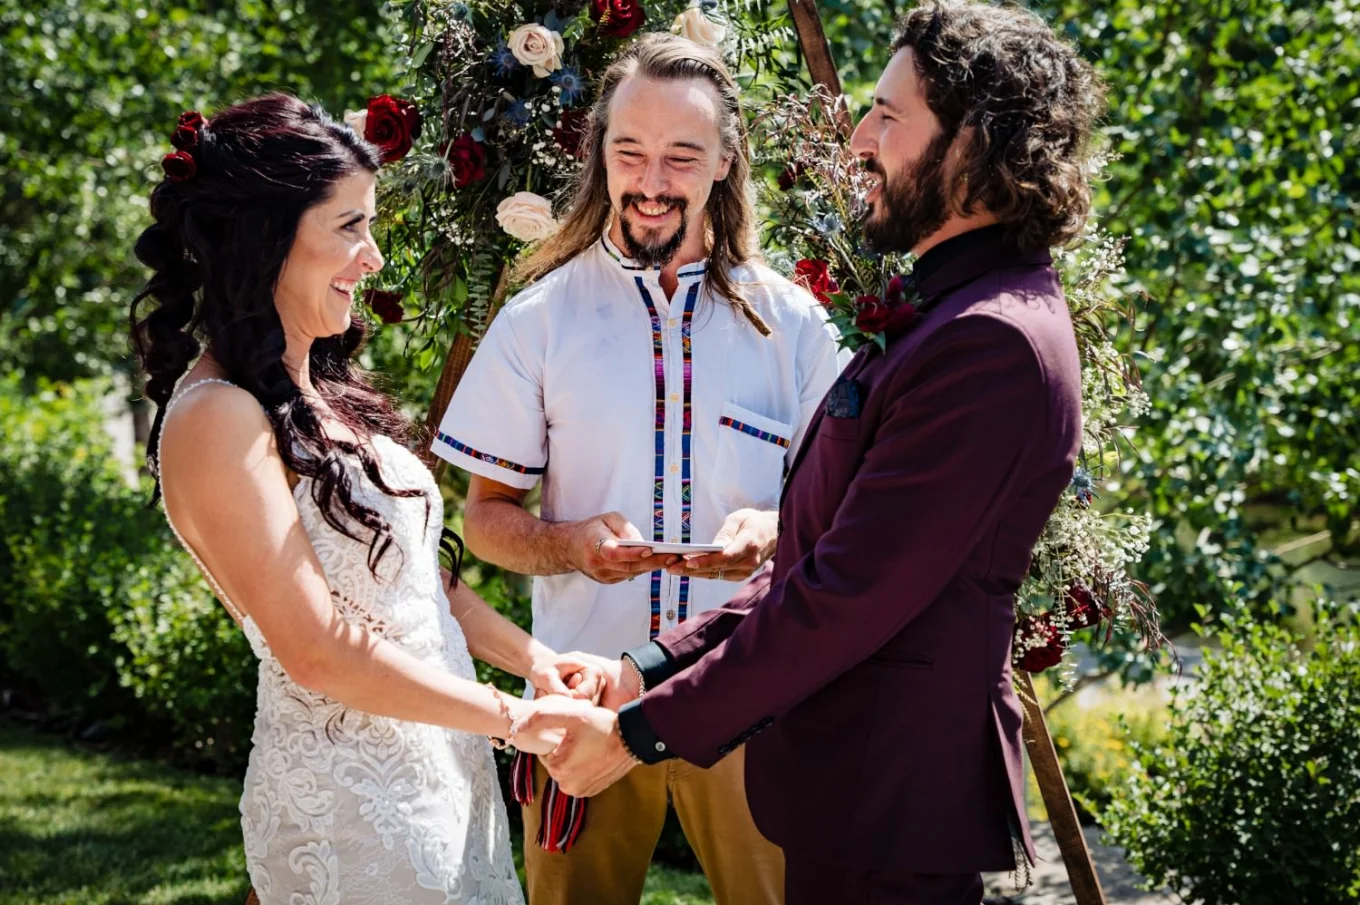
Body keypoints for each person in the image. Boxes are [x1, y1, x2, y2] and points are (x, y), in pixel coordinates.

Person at [533, 3, 1105, 903]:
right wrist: (638, 668)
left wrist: (642, 732)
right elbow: (815, 558)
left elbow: (846, 597)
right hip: (849, 791)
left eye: (888, 113)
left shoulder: (990, 344)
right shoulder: (948, 311)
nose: (860, 138)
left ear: (972, 143)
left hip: (891, 799)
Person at [129, 92, 599, 905]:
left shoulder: (323, 388)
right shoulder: (217, 418)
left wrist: (536, 665)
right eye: (349, 227)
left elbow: (418, 583)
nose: (374, 256)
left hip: (441, 775)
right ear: (265, 239)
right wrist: (512, 720)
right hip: (348, 811)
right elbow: (316, 647)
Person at [430, 34, 844, 905]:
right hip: (582, 698)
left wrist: (775, 531)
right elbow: (483, 518)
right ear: (600, 153)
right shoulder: (538, 318)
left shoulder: (795, 324)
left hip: (753, 693)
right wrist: (572, 541)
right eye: (630, 151)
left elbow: (848, 514)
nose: (651, 179)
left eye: (681, 156)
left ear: (724, 162)